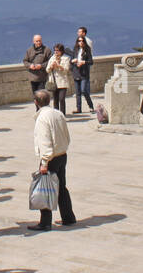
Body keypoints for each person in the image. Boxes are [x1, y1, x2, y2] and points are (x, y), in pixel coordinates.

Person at [30, 89, 76, 231]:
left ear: (36, 102)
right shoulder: (58, 113)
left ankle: (45, 222)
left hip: (51, 157)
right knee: (61, 187)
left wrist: (44, 162)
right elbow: (66, 135)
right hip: (62, 154)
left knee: (45, 188)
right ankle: (68, 217)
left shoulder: (42, 118)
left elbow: (45, 142)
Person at [72, 27, 95, 114]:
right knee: (77, 92)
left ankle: (90, 105)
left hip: (84, 72)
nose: (80, 42)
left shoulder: (87, 49)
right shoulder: (75, 50)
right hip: (76, 72)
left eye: (82, 41)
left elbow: (91, 61)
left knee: (83, 90)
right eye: (79, 41)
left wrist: (83, 62)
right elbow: (72, 59)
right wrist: (73, 61)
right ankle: (78, 109)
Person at [46, 43, 72, 113]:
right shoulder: (52, 58)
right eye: (55, 50)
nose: (56, 52)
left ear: (61, 51)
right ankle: (56, 113)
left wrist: (58, 66)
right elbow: (47, 70)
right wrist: (51, 67)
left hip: (62, 81)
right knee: (55, 99)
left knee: (61, 98)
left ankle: (62, 113)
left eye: (57, 50)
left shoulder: (66, 58)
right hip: (54, 82)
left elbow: (66, 70)